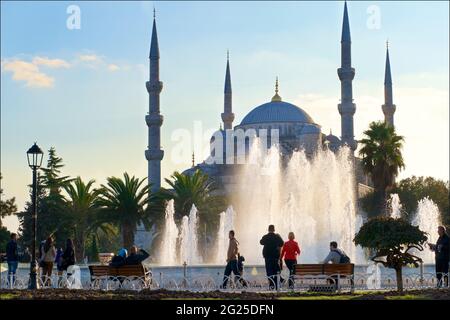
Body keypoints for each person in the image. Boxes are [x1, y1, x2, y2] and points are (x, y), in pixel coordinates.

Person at [260, 225, 284, 289]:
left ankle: (271, 285)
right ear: (274, 230)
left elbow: (261, 242)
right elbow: (282, 243)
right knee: (275, 270)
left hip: (267, 257)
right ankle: (276, 285)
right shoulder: (276, 237)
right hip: (275, 256)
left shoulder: (265, 237)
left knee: (269, 271)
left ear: (268, 229)